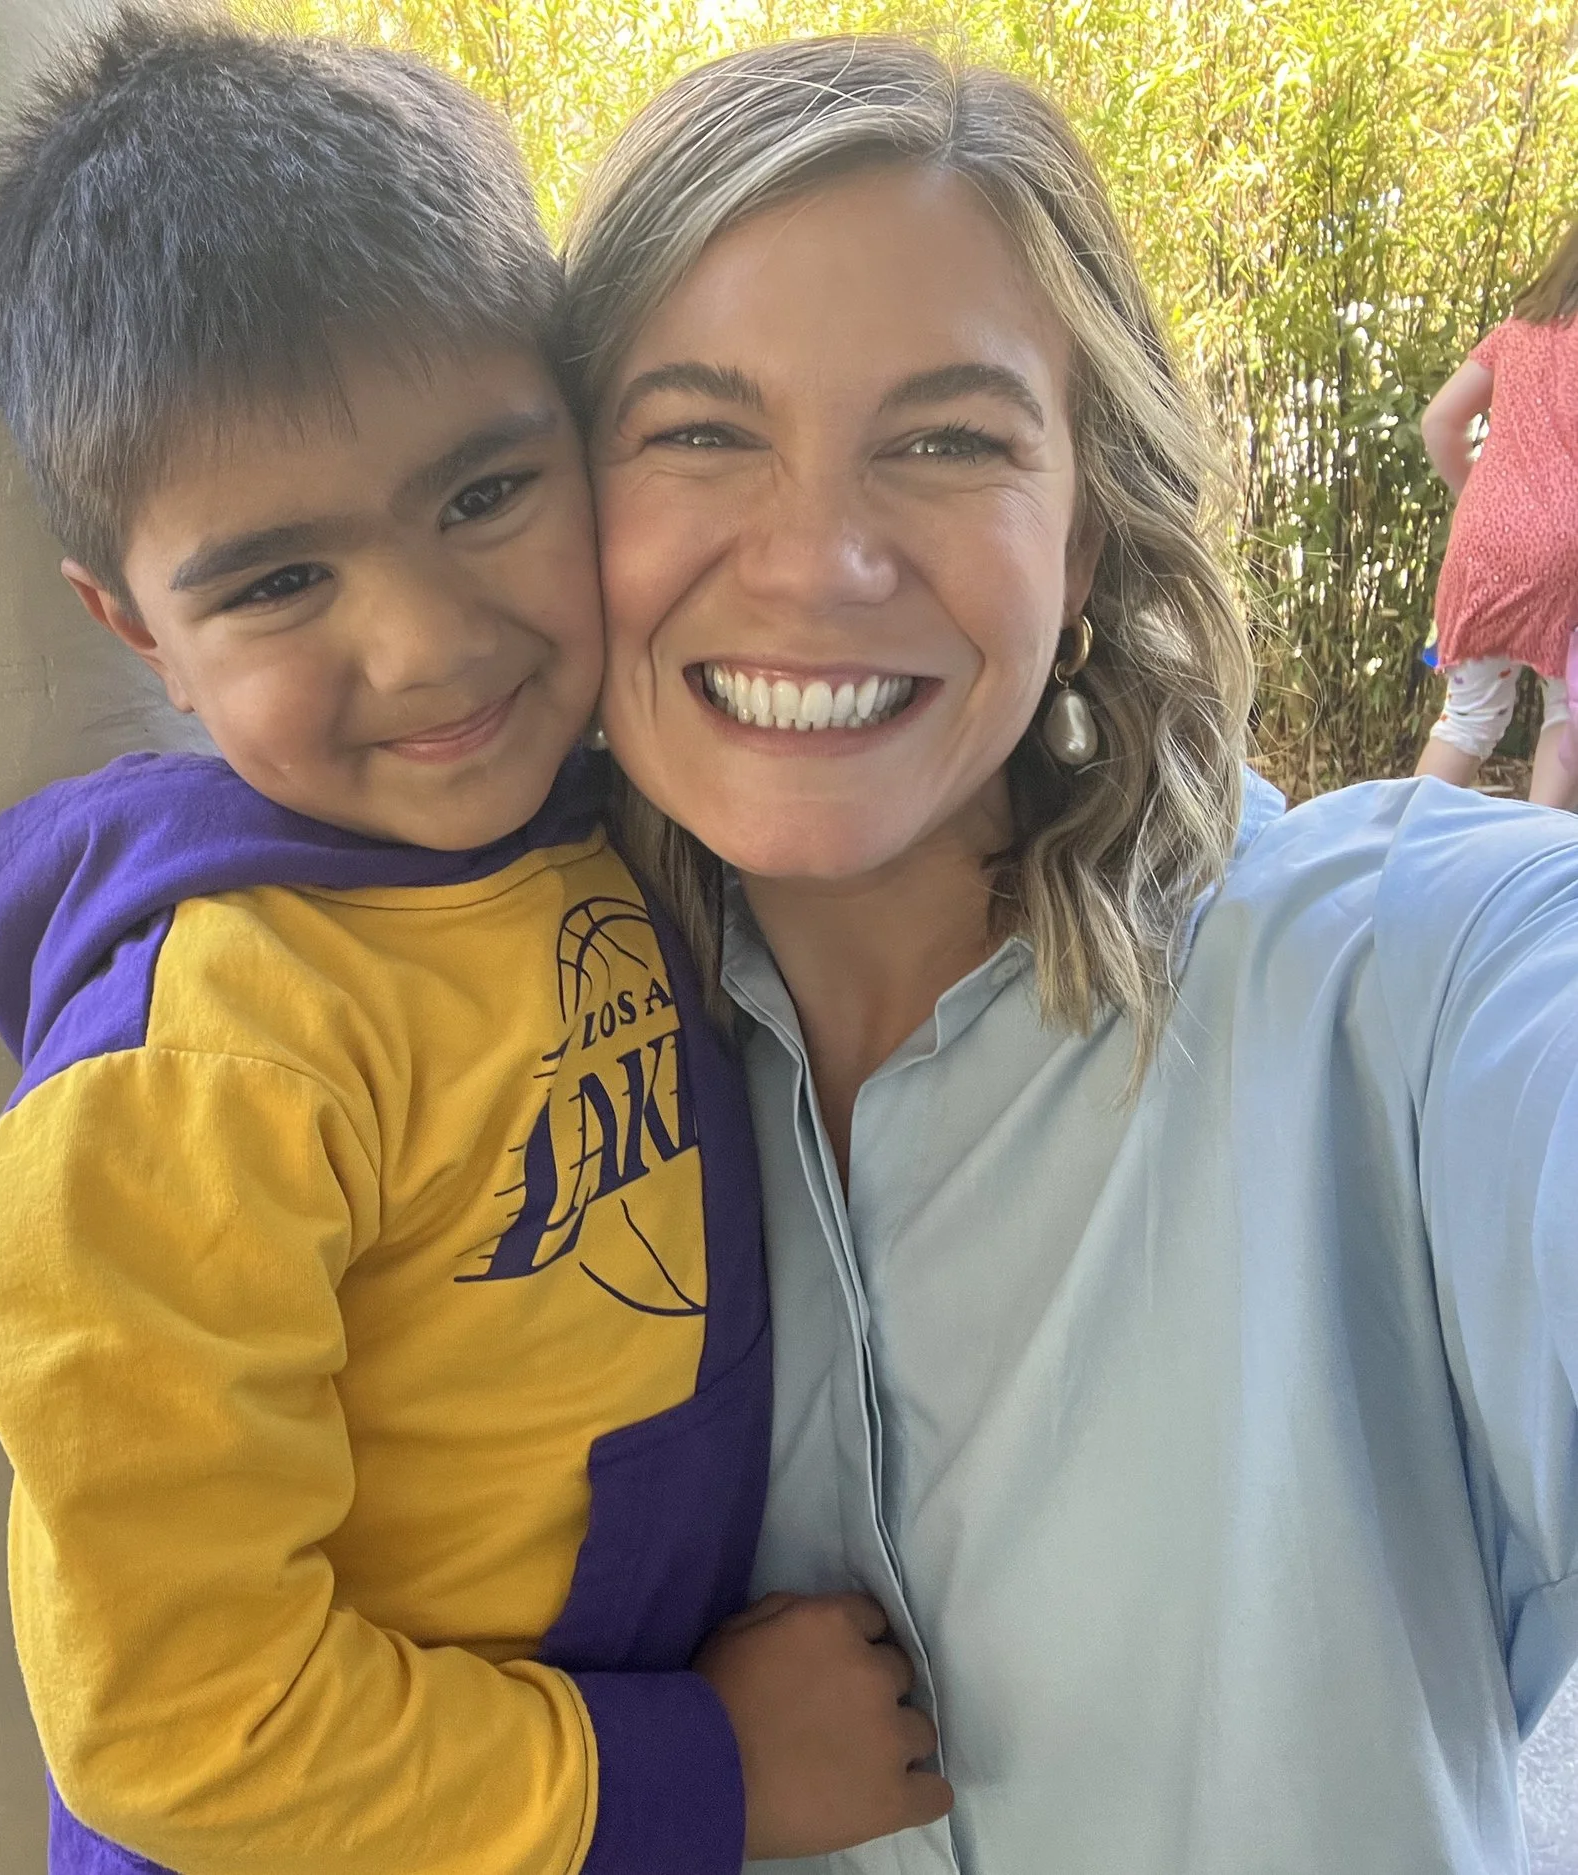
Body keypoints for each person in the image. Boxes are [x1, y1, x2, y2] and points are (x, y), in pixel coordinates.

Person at [568, 34, 1578, 1874]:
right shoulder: (467, 1087)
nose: (818, 560)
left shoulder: (1405, 983)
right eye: (701, 430)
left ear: (1089, 528)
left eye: (948, 440)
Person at [0, 16, 946, 1875]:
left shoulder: (621, 810)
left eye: (485, 494)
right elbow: (181, 1722)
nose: (425, 646)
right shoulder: (202, 1069)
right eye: (275, 579)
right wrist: (703, 1775)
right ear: (134, 627)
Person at [1416, 221, 1578, 811]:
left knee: (1467, 719)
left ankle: (1393, 850)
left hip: (1485, 538)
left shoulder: (1518, 330)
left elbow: (1439, 422)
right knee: (1569, 711)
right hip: (1570, 547)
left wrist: (1477, 498)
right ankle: (1537, 864)